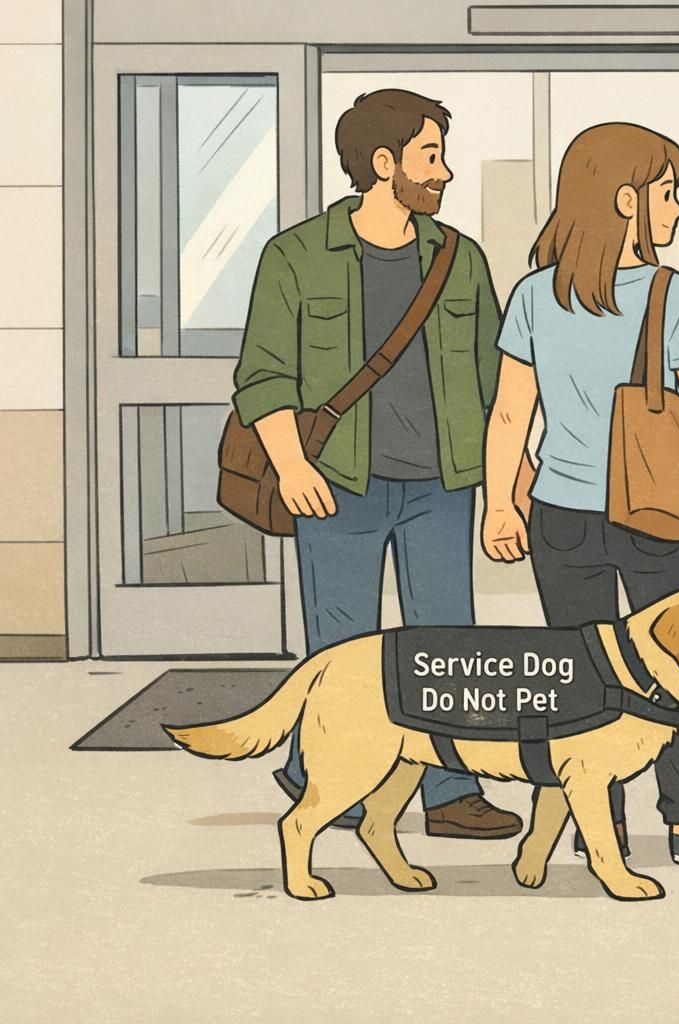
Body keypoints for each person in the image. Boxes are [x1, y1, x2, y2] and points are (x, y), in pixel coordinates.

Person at [481, 122, 679, 865]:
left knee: (583, 674)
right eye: (667, 192)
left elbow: (508, 414)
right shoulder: (672, 296)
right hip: (663, 515)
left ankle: (602, 826)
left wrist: (500, 503)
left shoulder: (533, 295)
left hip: (560, 515)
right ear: (627, 199)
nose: (678, 209)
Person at [232, 89, 526, 838]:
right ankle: (329, 780)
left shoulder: (458, 259)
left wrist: (506, 489)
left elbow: (498, 386)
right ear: (384, 162)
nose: (446, 173)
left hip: (440, 486)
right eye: (432, 156)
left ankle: (451, 789)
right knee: (341, 644)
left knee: (447, 641)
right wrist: (292, 466)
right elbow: (263, 377)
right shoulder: (294, 255)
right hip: (337, 485)